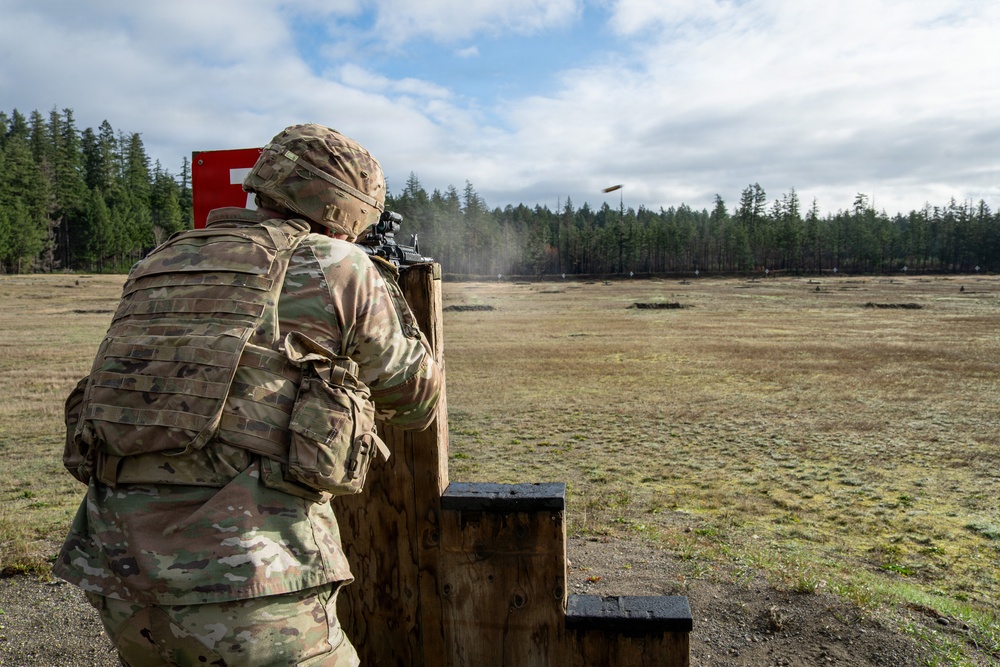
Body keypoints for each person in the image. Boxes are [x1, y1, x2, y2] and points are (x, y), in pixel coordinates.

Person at [54, 123, 443, 666]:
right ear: (349, 208)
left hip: (118, 575)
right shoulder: (337, 265)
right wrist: (385, 285)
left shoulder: (159, 260)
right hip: (252, 577)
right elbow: (415, 400)